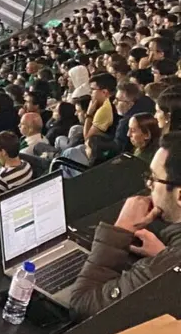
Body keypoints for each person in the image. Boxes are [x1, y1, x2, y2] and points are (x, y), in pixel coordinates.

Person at [72, 131, 181, 316]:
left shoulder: (164, 269)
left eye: (154, 179)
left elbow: (83, 303)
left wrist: (120, 230)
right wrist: (164, 254)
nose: (149, 185)